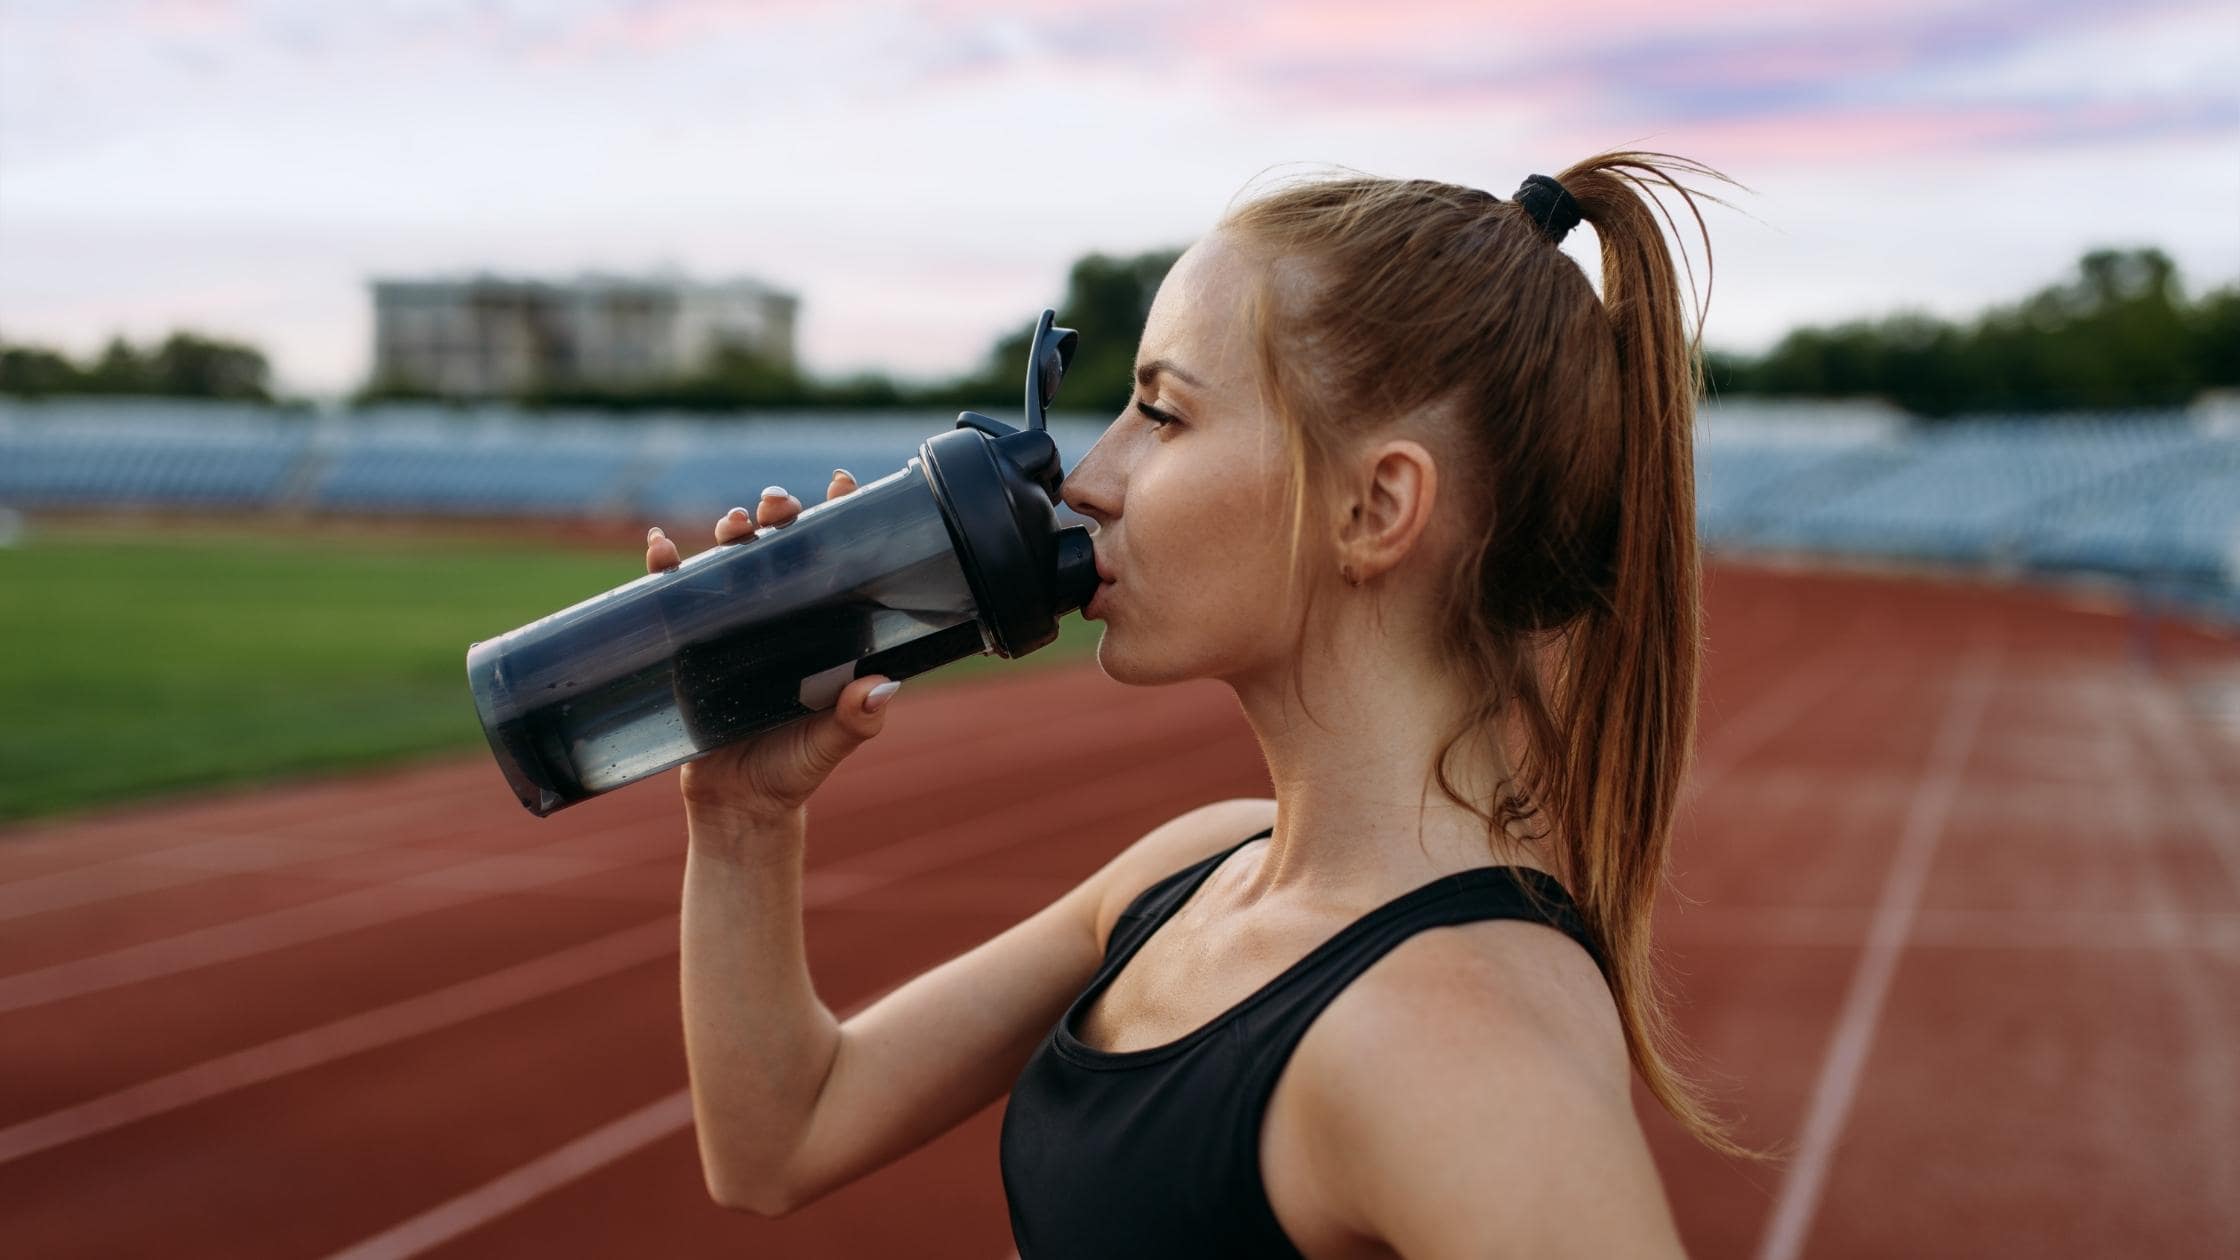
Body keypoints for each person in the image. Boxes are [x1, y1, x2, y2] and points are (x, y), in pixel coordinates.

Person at [642, 149, 1747, 1258]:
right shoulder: (1192, 871)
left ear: (1373, 507)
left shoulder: (1452, 1036)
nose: (1086, 480)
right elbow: (780, 1138)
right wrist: (742, 818)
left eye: (1159, 414)